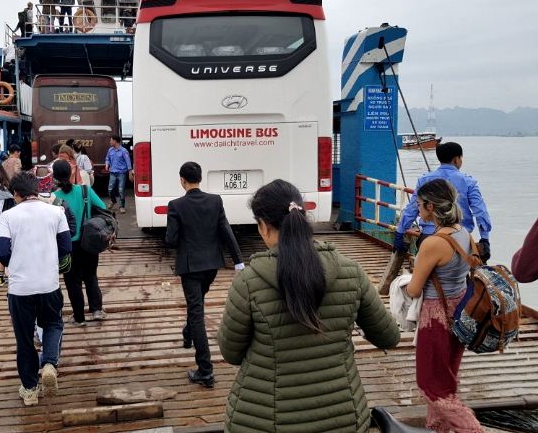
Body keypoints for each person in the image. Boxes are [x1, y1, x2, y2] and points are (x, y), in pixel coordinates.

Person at [218, 179, 400, 431]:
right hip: (343, 416)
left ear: (263, 226)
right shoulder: (351, 272)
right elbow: (389, 337)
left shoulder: (248, 282)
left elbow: (231, 353)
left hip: (262, 421)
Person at [404, 179, 483, 432]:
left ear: (430, 206)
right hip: (460, 313)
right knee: (446, 378)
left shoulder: (433, 243)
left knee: (431, 383)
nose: (417, 209)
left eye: (419, 205)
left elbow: (415, 289)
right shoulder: (464, 234)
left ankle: (472, 430)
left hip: (435, 316)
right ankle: (437, 429)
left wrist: (402, 284)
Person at [0, 172, 72, 406]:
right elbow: (66, 246)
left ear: (15, 194)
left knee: (24, 338)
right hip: (48, 284)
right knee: (53, 323)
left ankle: (29, 390)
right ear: (37, 190)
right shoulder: (56, 212)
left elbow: (1, 253)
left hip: (20, 289)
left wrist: (17, 265)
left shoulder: (7, 216)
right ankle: (49, 363)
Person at [166, 161, 244, 388]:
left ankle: (205, 371)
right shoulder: (215, 201)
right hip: (212, 266)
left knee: (197, 311)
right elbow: (226, 231)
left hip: (190, 268)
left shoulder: (176, 205)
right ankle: (188, 333)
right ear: (200, 179)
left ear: (182, 181)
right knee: (197, 305)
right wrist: (238, 262)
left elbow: (171, 240)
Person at [394, 142, 492, 261]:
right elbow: (480, 211)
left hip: (429, 237)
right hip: (461, 238)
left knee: (427, 274)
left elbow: (412, 208)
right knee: (461, 275)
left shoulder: (424, 180)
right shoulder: (468, 182)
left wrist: (400, 233)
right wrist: (485, 238)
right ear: (456, 159)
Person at [53, 160, 107, 326]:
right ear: (71, 173)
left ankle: (79, 317)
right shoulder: (85, 190)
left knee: (72, 281)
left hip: (67, 245)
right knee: (91, 276)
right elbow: (103, 206)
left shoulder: (54, 197)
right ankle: (97, 310)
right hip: (88, 242)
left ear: (54, 177)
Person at [105, 135, 132, 214]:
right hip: (112, 172)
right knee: (110, 189)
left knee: (121, 190)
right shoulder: (110, 150)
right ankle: (113, 201)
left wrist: (130, 171)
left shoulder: (123, 151)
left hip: (121, 173)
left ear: (115, 141)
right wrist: (107, 164)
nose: (110, 142)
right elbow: (107, 158)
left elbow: (128, 161)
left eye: (111, 140)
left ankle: (122, 206)